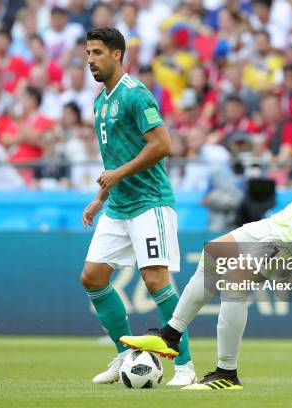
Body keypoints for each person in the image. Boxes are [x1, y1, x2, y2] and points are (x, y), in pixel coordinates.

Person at [121, 52, 292, 390]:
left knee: (235, 278)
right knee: (215, 253)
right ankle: (171, 335)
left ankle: (225, 373)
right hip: (290, 222)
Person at [80, 27, 196, 386]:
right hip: (118, 204)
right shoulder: (101, 100)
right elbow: (115, 157)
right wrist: (101, 198)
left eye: (97, 52)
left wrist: (117, 176)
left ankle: (185, 367)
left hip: (150, 202)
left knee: (155, 279)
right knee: (92, 277)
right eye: (88, 53)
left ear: (117, 54)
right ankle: (123, 353)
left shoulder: (135, 95)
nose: (90, 60)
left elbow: (162, 144)